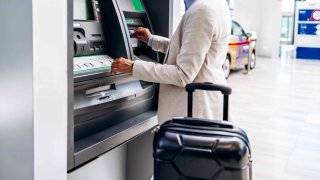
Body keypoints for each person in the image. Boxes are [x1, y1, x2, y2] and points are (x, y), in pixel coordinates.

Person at [111, 0, 231, 124]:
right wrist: (152, 40)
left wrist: (133, 67)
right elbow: (193, 50)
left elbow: (182, 75)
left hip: (193, 112)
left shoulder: (202, 10)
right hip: (202, 103)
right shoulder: (218, 4)